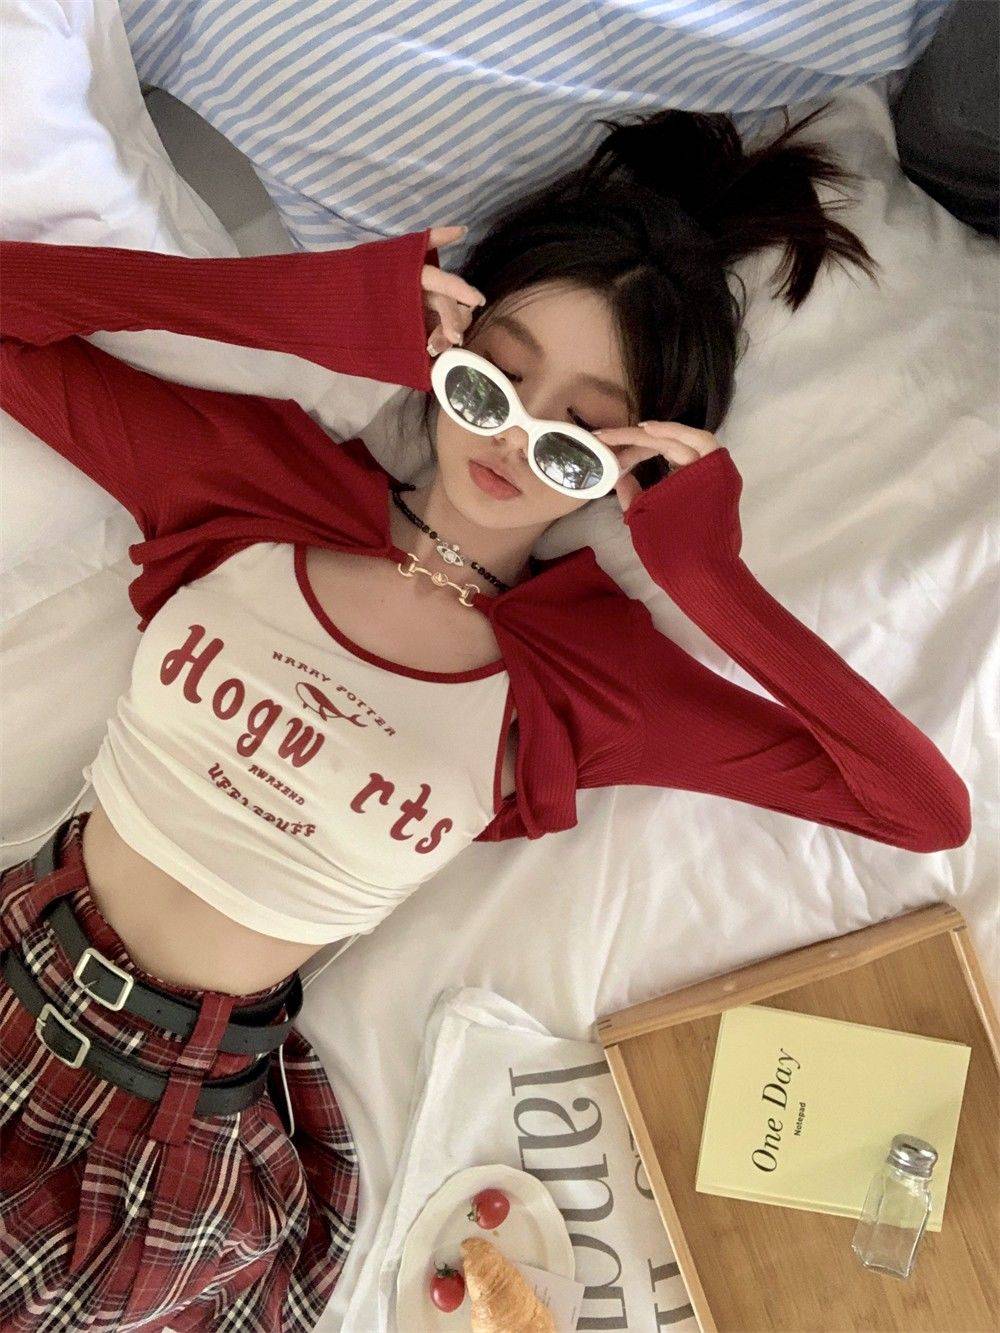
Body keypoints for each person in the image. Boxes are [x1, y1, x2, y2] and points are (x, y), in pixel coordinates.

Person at [0, 103, 971, 1329]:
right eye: (492, 379)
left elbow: (916, 809)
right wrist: (308, 311)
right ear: (439, 354)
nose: (514, 436)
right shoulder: (252, 481)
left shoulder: (586, 679)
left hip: (161, 1123)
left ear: (632, 466)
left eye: (577, 433)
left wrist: (707, 576)